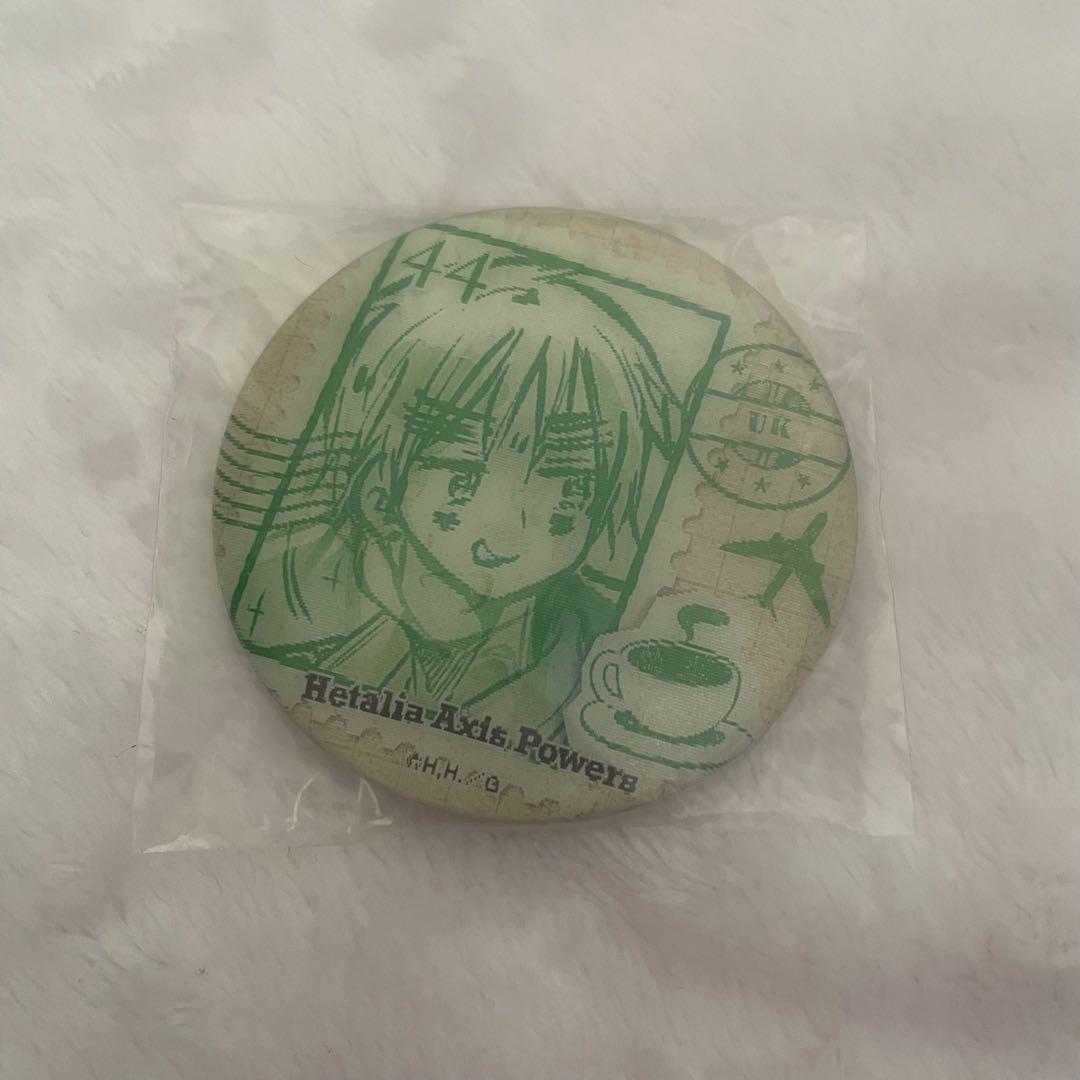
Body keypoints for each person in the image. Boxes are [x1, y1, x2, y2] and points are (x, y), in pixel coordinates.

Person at [232, 259, 681, 739]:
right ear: (379, 487)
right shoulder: (288, 616)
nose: (510, 524)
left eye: (570, 482)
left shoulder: (610, 659)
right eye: (464, 473)